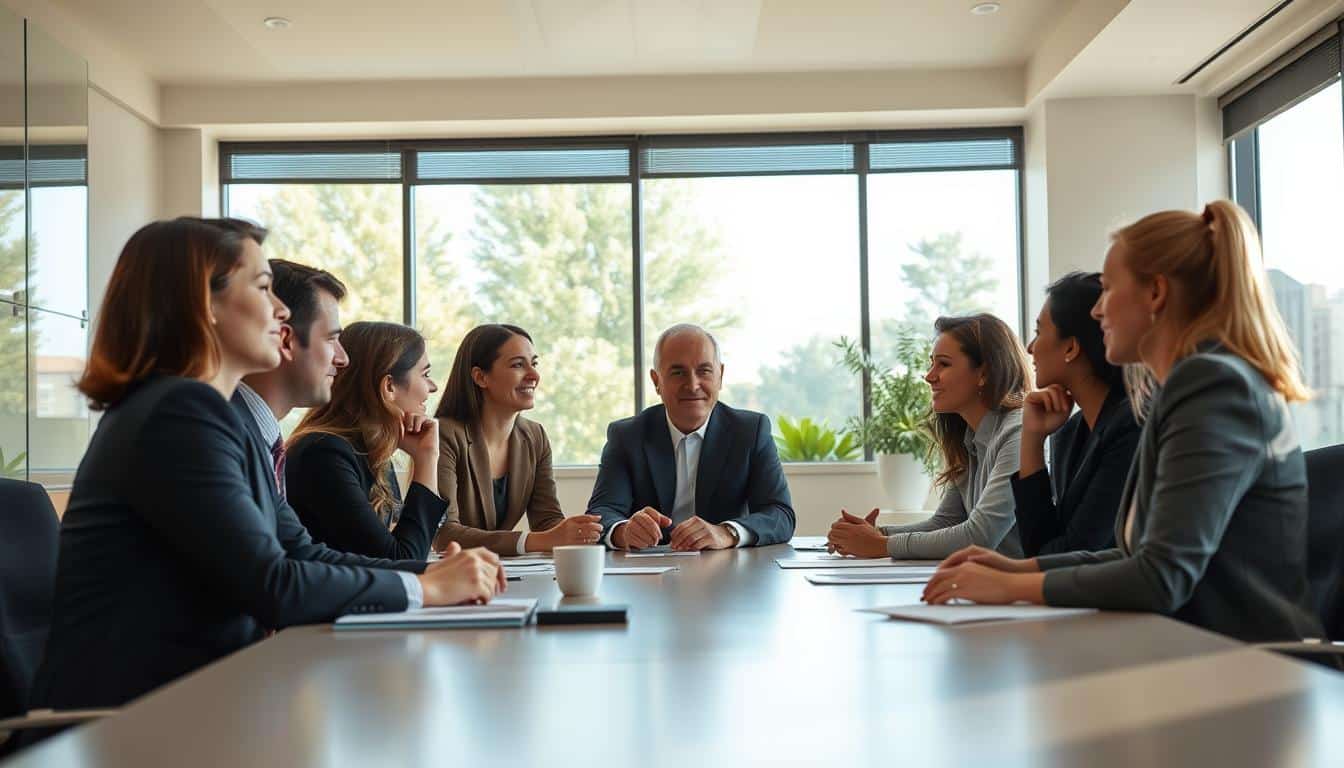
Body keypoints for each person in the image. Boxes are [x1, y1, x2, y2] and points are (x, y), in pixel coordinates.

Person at [29, 218, 502, 713]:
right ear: (202, 305)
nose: (280, 311)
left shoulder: (218, 418)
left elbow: (303, 552)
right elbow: (273, 583)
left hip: (197, 706)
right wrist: (425, 587)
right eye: (261, 288)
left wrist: (433, 572)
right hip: (133, 725)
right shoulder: (177, 414)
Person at [924, 201, 1323, 643]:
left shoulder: (1211, 385)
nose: (1098, 312)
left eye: (1109, 290)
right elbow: (1132, 555)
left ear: (1155, 293)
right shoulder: (1181, 388)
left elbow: (1161, 576)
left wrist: (1014, 587)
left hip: (1248, 671)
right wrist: (1020, 568)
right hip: (1198, 654)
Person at [827, 313, 1029, 559]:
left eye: (943, 364)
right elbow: (944, 523)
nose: (929, 375)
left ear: (984, 373)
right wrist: (876, 533)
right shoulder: (969, 439)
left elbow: (980, 536)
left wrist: (881, 545)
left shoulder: (1018, 432)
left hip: (1029, 591)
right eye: (931, 363)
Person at [586, 324, 794, 550]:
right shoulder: (627, 436)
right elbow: (601, 514)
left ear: (720, 376)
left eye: (704, 371)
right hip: (649, 574)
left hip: (727, 570)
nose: (693, 385)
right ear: (657, 381)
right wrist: (623, 532)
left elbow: (780, 515)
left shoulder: (750, 431)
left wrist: (727, 532)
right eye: (678, 372)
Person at [432, 324, 602, 555]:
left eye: (534, 363)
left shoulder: (535, 437)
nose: (534, 375)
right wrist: (534, 541)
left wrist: (578, 533)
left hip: (505, 574)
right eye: (518, 365)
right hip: (454, 575)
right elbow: (444, 535)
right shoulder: (445, 434)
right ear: (480, 377)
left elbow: (547, 521)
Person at [285, 322, 448, 561]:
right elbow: (402, 559)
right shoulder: (325, 455)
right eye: (425, 375)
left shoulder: (369, 453)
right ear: (389, 386)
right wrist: (427, 459)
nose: (432, 387)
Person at [1011, 272, 1139, 556]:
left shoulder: (1132, 427)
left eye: (1038, 332)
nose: (1030, 348)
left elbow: (1076, 553)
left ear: (1070, 347)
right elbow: (1038, 547)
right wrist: (1032, 439)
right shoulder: (1068, 433)